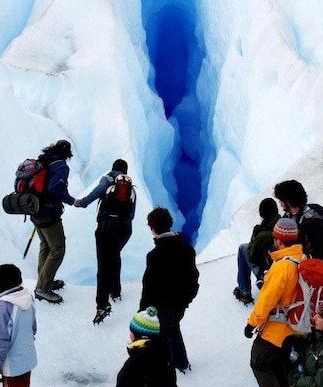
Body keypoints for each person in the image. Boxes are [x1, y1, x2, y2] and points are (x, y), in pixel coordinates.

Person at [244, 217, 304, 387]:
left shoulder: (282, 267)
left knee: (260, 362)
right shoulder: (304, 260)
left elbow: (266, 301)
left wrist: (252, 324)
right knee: (279, 363)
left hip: (278, 329)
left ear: (278, 241)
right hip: (299, 327)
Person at [74, 159, 136, 323]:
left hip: (105, 229)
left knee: (103, 265)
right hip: (124, 230)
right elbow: (132, 215)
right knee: (115, 257)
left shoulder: (107, 179)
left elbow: (95, 194)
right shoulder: (130, 188)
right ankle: (115, 291)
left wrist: (80, 203)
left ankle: (102, 303)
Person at [139, 207, 199, 372]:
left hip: (163, 306)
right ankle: (181, 363)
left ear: (152, 229)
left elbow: (149, 287)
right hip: (180, 302)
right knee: (173, 328)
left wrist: (143, 310)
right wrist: (188, 297)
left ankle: (165, 372)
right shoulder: (186, 247)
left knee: (162, 340)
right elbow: (193, 275)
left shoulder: (155, 255)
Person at [30, 139, 76, 304]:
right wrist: (71, 200)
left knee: (46, 246)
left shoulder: (44, 161)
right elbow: (53, 188)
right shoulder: (61, 166)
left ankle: (45, 281)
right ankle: (42, 288)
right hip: (48, 212)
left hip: (34, 209)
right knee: (57, 248)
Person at [272, 179, 323, 271]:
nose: (280, 204)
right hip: (291, 266)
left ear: (289, 201)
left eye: (281, 200)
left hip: (309, 273)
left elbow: (319, 255)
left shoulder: (314, 223)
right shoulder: (288, 217)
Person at [233, 197, 280, 304]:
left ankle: (244, 292)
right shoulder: (281, 225)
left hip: (267, 273)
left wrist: (255, 236)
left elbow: (252, 255)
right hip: (281, 270)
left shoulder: (264, 234)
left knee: (243, 248)